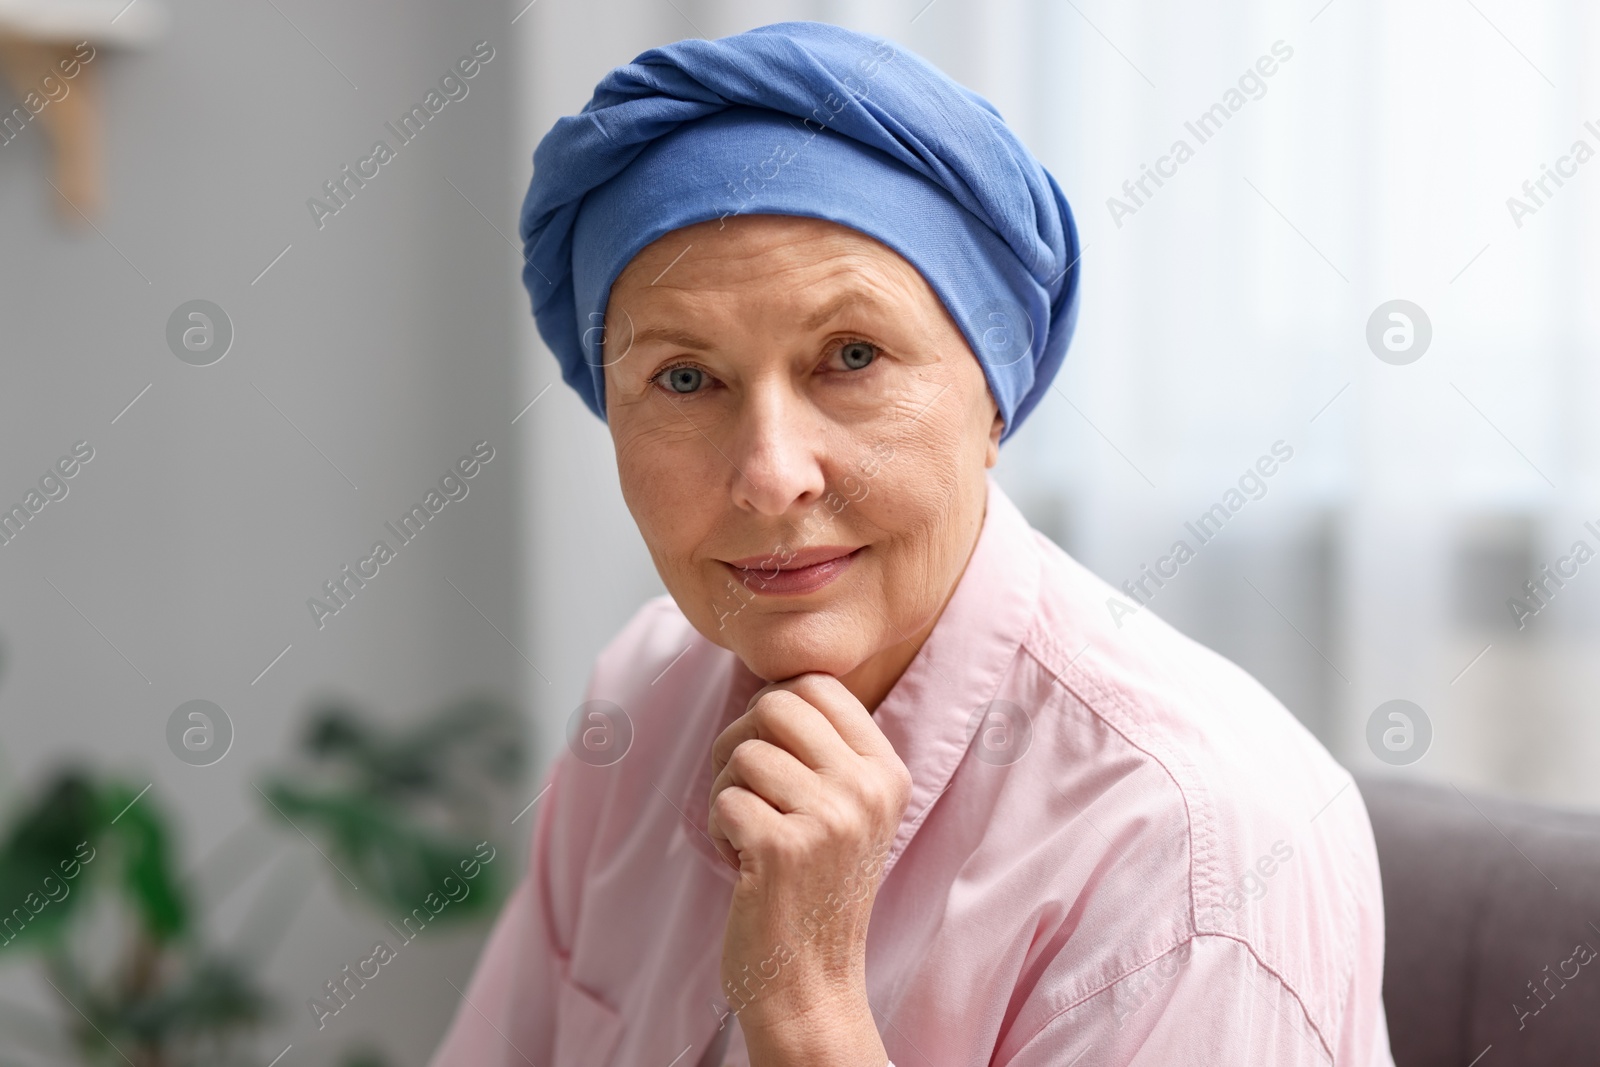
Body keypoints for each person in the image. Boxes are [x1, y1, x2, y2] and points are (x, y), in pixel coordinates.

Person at [428, 21, 1393, 1067]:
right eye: (682, 378)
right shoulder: (643, 690)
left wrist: (807, 1008)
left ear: (993, 395)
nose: (770, 472)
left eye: (850, 355)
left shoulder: (1190, 849)